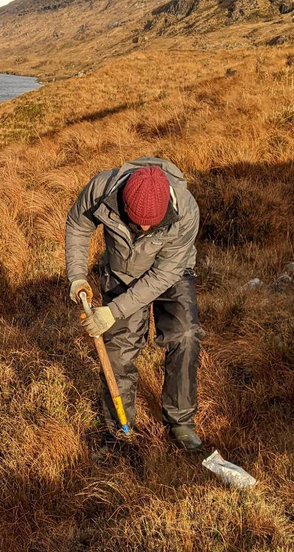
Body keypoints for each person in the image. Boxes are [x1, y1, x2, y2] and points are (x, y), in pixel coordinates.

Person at [65, 157, 205, 451]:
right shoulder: (102, 189)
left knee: (186, 335)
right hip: (122, 270)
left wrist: (113, 312)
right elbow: (78, 224)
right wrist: (77, 277)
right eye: (135, 219)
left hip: (172, 272)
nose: (141, 226)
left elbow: (163, 275)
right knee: (117, 352)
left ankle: (180, 421)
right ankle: (118, 429)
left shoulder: (186, 210)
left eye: (150, 222)